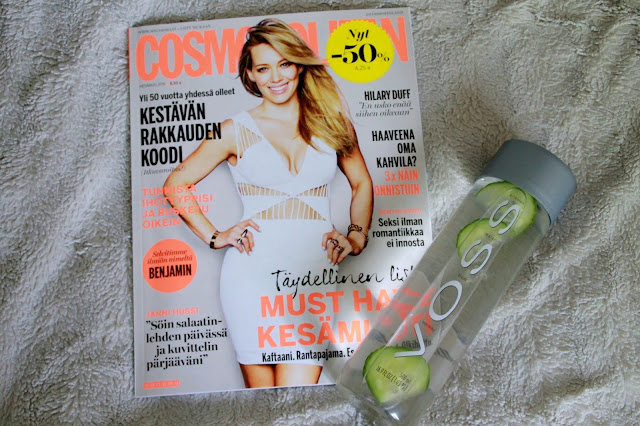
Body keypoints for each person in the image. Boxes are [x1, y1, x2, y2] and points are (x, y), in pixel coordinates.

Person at [163, 18, 373, 388]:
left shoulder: (333, 122)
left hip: (313, 275)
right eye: (263, 68)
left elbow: (361, 182)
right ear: (250, 75)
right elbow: (175, 184)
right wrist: (215, 236)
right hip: (250, 277)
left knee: (298, 394)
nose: (276, 77)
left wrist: (356, 237)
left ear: (299, 66)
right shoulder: (230, 129)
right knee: (263, 401)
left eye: (284, 64)